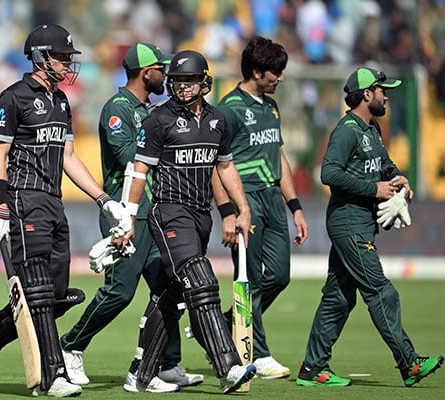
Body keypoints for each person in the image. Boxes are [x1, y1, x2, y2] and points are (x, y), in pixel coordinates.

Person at [0, 23, 130, 398]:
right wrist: (0, 209)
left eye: (69, 57)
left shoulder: (62, 100)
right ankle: (52, 377)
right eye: (62, 56)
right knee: (36, 291)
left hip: (54, 202)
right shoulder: (14, 97)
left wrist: (105, 199)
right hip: (22, 201)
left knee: (54, 294)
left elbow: (68, 157)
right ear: (39, 57)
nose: (68, 63)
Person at [59, 42, 203, 392]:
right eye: (161, 69)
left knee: (170, 287)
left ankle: (166, 364)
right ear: (146, 72)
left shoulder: (148, 110)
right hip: (125, 213)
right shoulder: (118, 108)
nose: (166, 75)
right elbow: (129, 156)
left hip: (153, 212)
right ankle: (70, 346)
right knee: (119, 291)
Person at [118, 49, 256, 394]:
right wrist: (128, 219)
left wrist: (242, 209)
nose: (182, 87)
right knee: (201, 281)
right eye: (177, 81)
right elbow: (139, 171)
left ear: (204, 82)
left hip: (199, 216)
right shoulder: (158, 120)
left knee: (171, 294)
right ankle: (228, 367)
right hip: (168, 213)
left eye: (189, 81)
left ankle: (141, 373)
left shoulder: (217, 120)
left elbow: (224, 166)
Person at [296, 67, 443, 387]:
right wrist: (374, 189)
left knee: (338, 297)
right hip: (349, 222)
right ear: (366, 94)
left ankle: (312, 368)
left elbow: (383, 166)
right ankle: (408, 363)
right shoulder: (347, 130)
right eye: (382, 90)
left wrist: (398, 180)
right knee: (380, 290)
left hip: (360, 222)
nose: (386, 95)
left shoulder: (372, 129)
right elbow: (329, 174)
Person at [212, 36, 308, 379]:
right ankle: (260, 355)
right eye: (275, 72)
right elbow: (215, 166)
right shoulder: (228, 110)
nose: (280, 78)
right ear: (256, 71)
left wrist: (294, 205)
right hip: (246, 199)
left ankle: (223, 323)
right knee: (248, 280)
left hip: (272, 200)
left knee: (279, 276)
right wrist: (228, 211)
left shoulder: (270, 106)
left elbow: (277, 155)